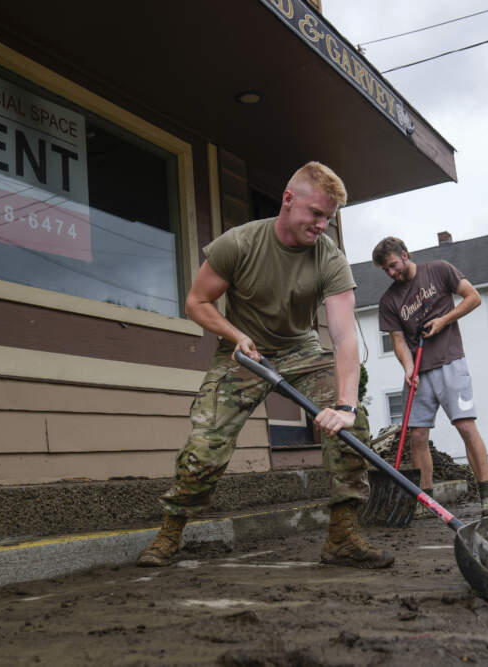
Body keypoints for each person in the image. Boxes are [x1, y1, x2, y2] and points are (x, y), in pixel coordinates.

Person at [137, 162, 393, 569]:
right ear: (288, 200)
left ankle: (343, 536)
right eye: (316, 213)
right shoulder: (238, 244)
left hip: (301, 351)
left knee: (352, 428)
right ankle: (171, 530)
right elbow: (196, 303)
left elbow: (344, 337)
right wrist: (234, 334)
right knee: (206, 446)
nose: (322, 225)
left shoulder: (329, 257)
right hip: (244, 351)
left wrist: (345, 406)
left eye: (328, 218)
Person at [372, 236, 488, 516]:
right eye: (386, 270)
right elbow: (398, 341)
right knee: (417, 436)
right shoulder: (389, 300)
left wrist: (444, 321)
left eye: (393, 265)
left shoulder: (440, 270)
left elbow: (473, 298)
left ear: (405, 255)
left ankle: (487, 495)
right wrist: (407, 367)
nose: (391, 273)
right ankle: (427, 501)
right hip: (418, 373)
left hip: (451, 363)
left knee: (466, 428)